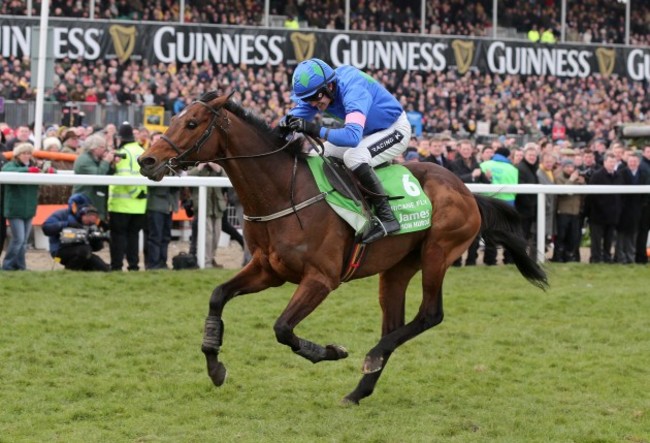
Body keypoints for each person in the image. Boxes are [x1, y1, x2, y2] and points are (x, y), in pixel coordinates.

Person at [280, 58, 411, 243]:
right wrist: (280, 130)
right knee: (318, 154)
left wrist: (313, 128)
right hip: (368, 132)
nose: (312, 104)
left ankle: (387, 218)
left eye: (315, 98)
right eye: (307, 99)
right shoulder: (320, 92)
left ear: (330, 87)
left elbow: (351, 137)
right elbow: (287, 122)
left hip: (394, 129)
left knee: (354, 157)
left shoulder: (353, 89)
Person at [107, 122, 147, 271]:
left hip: (121, 204)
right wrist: (139, 194)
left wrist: (134, 192)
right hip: (139, 204)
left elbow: (123, 175)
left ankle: (117, 266)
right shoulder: (141, 150)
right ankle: (133, 265)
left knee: (118, 238)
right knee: (133, 237)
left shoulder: (123, 152)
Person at [42, 193, 110, 271]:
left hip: (84, 252)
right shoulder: (62, 215)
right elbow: (46, 228)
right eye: (88, 214)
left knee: (103, 269)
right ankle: (69, 272)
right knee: (85, 251)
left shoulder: (91, 224)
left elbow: (97, 248)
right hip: (60, 250)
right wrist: (66, 224)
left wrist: (97, 238)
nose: (90, 218)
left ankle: (77, 270)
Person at [449, 139, 489, 266]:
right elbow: (456, 179)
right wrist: (472, 175)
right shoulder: (454, 163)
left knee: (476, 233)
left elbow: (486, 183)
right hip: (460, 203)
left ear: (472, 150)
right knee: (458, 232)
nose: (466, 151)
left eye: (468, 149)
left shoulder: (476, 163)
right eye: (464, 149)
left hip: (475, 203)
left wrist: (488, 177)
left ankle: (471, 260)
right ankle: (456, 261)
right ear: (459, 150)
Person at [1, 143, 41, 270]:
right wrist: (27, 170)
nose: (27, 156)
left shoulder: (34, 166)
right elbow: (5, 171)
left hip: (29, 209)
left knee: (22, 242)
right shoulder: (10, 165)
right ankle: (7, 265)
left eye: (29, 153)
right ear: (17, 155)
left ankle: (20, 266)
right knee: (19, 240)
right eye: (24, 153)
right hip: (15, 209)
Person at [145, 131, 178, 270]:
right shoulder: (147, 158)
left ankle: (162, 262)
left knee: (165, 236)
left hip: (169, 204)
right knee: (155, 236)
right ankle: (153, 264)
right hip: (156, 204)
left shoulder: (170, 158)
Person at [479, 147, 518, 265]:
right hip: (508, 204)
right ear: (507, 156)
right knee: (507, 234)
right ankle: (508, 259)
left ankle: (490, 260)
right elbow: (515, 188)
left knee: (490, 233)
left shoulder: (484, 165)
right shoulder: (513, 169)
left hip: (488, 203)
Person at [584, 153, 625, 263]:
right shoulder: (597, 176)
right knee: (596, 240)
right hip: (598, 215)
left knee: (609, 239)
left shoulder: (618, 176)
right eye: (610, 162)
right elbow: (590, 196)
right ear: (604, 162)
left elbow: (621, 196)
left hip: (612, 215)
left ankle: (607, 258)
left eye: (613, 162)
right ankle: (596, 258)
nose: (612, 164)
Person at [188, 162, 228, 268]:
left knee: (216, 235)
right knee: (207, 235)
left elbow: (227, 178)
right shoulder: (196, 163)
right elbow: (188, 176)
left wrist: (217, 168)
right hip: (203, 206)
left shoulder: (218, 164)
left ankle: (211, 257)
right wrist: (200, 167)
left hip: (217, 206)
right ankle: (206, 261)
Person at [72, 133, 117, 221]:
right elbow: (97, 175)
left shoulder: (95, 159)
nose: (105, 150)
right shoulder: (84, 160)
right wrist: (106, 161)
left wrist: (112, 164)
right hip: (86, 202)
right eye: (103, 147)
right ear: (94, 148)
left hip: (96, 201)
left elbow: (107, 174)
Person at [615, 153, 648, 264]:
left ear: (638, 163)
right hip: (623, 209)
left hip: (636, 209)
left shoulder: (643, 174)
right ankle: (621, 257)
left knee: (633, 234)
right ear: (627, 162)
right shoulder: (621, 173)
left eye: (635, 161)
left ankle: (631, 257)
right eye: (631, 161)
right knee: (621, 235)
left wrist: (641, 204)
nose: (633, 163)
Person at [553, 159, 585, 262]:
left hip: (575, 213)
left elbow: (585, 194)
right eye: (567, 167)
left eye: (572, 167)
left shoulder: (577, 179)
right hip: (563, 212)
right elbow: (562, 192)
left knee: (573, 237)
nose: (570, 169)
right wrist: (571, 180)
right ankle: (558, 257)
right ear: (563, 168)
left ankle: (569, 257)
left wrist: (583, 183)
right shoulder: (559, 178)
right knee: (561, 237)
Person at [515, 144, 540, 258]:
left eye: (534, 155)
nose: (532, 157)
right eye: (530, 155)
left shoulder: (532, 168)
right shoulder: (521, 168)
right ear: (525, 155)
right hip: (524, 209)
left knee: (527, 235)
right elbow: (521, 190)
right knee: (522, 235)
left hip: (531, 209)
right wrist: (530, 204)